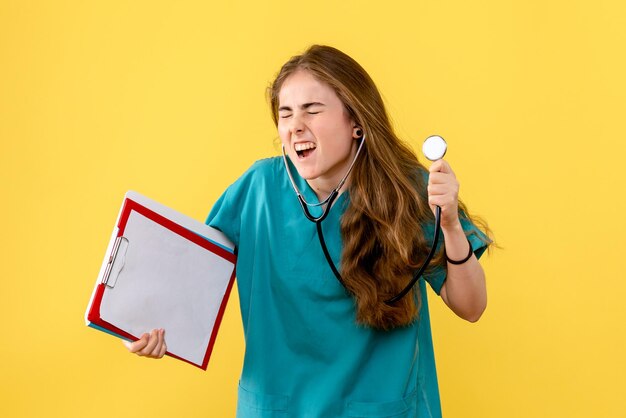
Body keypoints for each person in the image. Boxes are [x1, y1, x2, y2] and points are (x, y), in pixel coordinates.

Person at [125, 45, 492, 417]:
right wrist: (147, 327)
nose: (295, 125)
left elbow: (471, 306)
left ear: (357, 122)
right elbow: (192, 286)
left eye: (312, 110)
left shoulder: (408, 189)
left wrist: (449, 227)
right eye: (285, 113)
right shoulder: (256, 191)